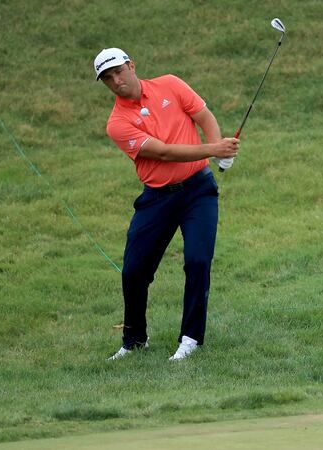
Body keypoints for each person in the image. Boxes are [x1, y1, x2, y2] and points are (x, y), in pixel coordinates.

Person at [93, 48, 239, 361]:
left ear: (131, 66)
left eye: (118, 71)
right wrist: (213, 148)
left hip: (198, 191)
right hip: (157, 197)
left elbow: (203, 116)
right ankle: (134, 341)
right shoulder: (117, 123)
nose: (115, 80)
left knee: (198, 261)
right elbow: (161, 152)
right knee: (134, 271)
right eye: (107, 78)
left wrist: (221, 155)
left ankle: (190, 339)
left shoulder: (170, 84)